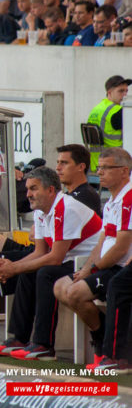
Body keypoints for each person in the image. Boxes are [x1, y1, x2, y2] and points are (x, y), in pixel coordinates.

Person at [0, 151, 101, 353]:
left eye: (33, 189)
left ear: (51, 190)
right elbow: (40, 251)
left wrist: (14, 268)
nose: (28, 194)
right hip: (65, 258)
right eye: (27, 189)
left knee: (43, 272)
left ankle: (42, 344)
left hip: (85, 262)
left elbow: (54, 257)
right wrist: (15, 267)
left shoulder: (66, 207)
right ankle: (18, 338)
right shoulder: (42, 209)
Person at [54, 148, 132, 370]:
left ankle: (109, 350)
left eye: (106, 168)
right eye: (99, 168)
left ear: (124, 171)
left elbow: (120, 248)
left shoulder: (129, 198)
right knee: (61, 286)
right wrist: (88, 267)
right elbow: (102, 242)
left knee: (75, 292)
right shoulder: (111, 202)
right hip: (107, 266)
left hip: (118, 267)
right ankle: (101, 334)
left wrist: (94, 269)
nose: (99, 173)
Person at [87, 75, 130, 171]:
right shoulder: (118, 110)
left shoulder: (96, 109)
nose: (125, 95)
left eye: (126, 91)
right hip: (115, 163)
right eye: (121, 91)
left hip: (96, 164)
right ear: (109, 92)